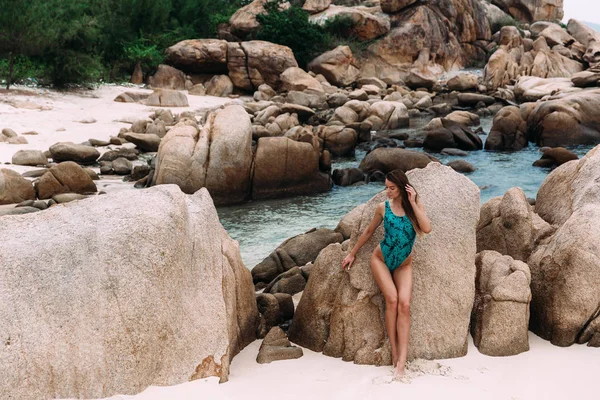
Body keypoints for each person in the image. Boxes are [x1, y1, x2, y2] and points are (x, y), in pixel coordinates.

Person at [341, 169, 432, 379]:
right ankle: (393, 349)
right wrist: (352, 254)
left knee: (405, 305)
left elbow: (426, 228)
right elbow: (368, 232)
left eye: (392, 188)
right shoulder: (383, 208)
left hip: (403, 265)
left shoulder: (415, 208)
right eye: (386, 187)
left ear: (402, 188)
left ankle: (402, 359)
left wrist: (414, 201)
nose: (388, 191)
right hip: (380, 260)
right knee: (392, 300)